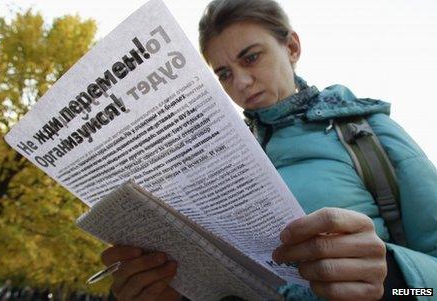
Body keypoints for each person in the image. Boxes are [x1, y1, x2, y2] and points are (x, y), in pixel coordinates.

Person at [101, 0, 437, 300]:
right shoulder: (214, 158)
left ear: (291, 47)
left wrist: (393, 282)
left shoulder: (366, 132)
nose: (241, 82)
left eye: (251, 58)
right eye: (224, 74)